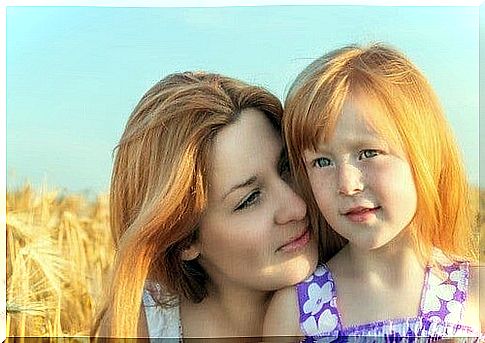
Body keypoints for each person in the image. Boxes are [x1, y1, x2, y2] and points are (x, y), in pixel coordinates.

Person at [264, 44, 483, 341]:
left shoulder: (476, 292)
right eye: (322, 161)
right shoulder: (295, 311)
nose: (347, 183)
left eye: (368, 153)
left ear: (425, 155)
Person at [91, 71, 319, 339]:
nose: (297, 208)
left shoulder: (361, 301)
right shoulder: (140, 326)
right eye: (250, 199)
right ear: (183, 240)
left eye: (287, 168)